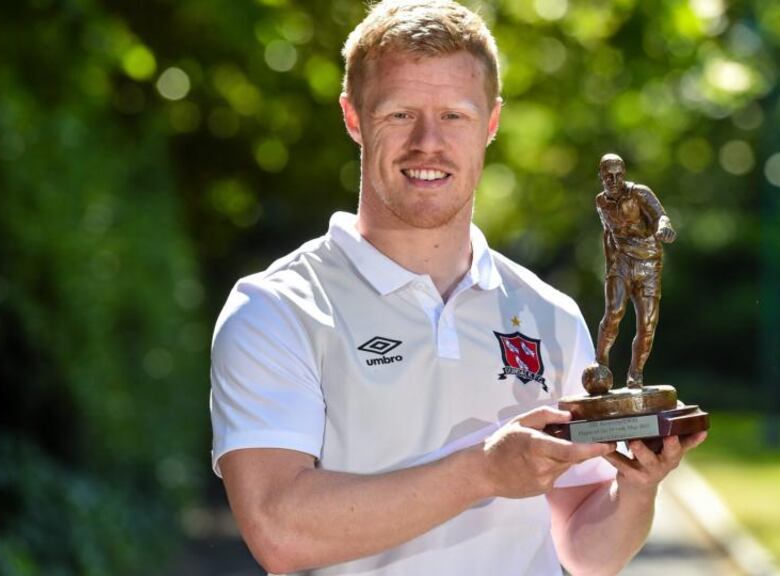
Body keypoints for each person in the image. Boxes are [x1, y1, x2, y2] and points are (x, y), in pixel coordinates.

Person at [209, 2, 706, 574]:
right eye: (399, 114)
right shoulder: (276, 308)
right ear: (353, 117)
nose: (428, 142)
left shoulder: (548, 313)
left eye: (455, 116)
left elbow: (585, 548)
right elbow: (279, 531)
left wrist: (637, 488)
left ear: (491, 124)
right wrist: (484, 471)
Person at [594, 154, 676, 389]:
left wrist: (665, 229)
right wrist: (610, 266)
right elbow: (608, 234)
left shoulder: (639, 193)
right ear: (600, 176)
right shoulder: (601, 202)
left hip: (649, 265)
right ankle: (600, 365)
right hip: (621, 263)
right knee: (613, 314)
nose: (614, 180)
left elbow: (662, 217)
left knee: (647, 325)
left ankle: (636, 374)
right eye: (609, 176)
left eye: (619, 175)